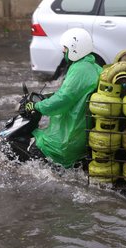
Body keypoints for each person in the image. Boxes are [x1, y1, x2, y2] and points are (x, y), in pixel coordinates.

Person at [22, 28, 103, 168]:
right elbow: (72, 93)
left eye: (65, 48)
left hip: (67, 138)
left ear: (75, 48)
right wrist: (49, 96)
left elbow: (64, 98)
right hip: (80, 131)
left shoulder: (80, 70)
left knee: (37, 151)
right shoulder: (93, 66)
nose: (63, 51)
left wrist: (37, 106)